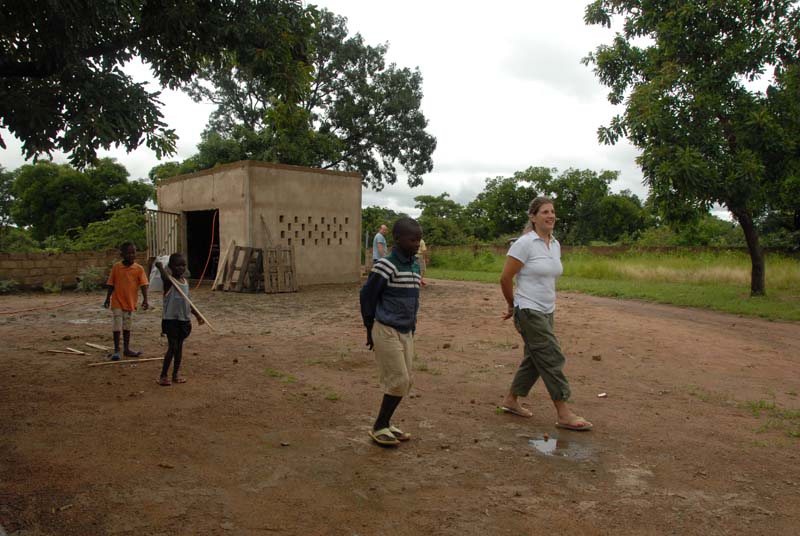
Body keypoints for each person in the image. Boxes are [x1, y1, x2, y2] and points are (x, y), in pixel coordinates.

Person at [499, 197, 593, 431]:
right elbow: (505, 278)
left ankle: (511, 400)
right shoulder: (524, 243)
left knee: (535, 358)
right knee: (551, 356)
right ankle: (563, 412)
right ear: (533, 217)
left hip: (546, 311)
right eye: (544, 212)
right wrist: (512, 305)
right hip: (528, 310)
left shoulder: (555, 244)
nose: (550, 216)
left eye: (552, 212)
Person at [360, 218, 423, 446]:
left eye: (419, 238)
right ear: (397, 240)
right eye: (412, 239)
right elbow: (367, 297)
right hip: (385, 329)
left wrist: (412, 327)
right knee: (399, 379)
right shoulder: (385, 265)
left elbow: (413, 300)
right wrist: (369, 329)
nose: (417, 243)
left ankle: (386, 424)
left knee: (406, 382)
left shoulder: (415, 265)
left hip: (406, 331)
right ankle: (379, 426)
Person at [153, 253, 204, 386]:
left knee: (179, 347)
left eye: (183, 265)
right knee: (173, 346)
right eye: (178, 265)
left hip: (184, 320)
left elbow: (187, 302)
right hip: (171, 320)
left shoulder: (185, 283)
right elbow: (165, 279)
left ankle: (175, 374)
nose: (181, 268)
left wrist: (197, 315)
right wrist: (160, 268)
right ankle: (163, 375)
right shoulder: (169, 282)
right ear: (170, 267)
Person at [104, 242, 149, 360]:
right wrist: (107, 298)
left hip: (130, 302)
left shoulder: (139, 269)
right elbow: (110, 284)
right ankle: (117, 350)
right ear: (122, 254)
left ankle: (126, 349)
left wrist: (145, 299)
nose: (131, 255)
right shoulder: (116, 267)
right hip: (117, 301)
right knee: (117, 325)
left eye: (133, 253)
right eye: (128, 253)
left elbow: (144, 285)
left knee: (127, 325)